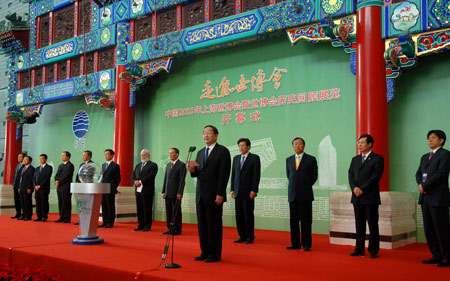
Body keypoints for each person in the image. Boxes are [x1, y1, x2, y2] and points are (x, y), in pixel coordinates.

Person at [189, 125, 231, 263]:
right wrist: (192, 170)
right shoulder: (200, 152)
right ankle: (204, 251)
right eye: (204, 133)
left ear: (216, 135)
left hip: (214, 195)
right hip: (201, 194)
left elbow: (223, 175)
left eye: (209, 133)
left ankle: (214, 253)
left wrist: (220, 194)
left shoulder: (222, 151)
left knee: (214, 225)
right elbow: (197, 174)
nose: (206, 135)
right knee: (202, 226)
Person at [415, 130, 450, 267]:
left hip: (438, 197)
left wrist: (425, 186)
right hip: (425, 197)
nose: (429, 140)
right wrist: (420, 184)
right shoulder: (425, 157)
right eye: (428, 138)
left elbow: (441, 174)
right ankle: (436, 255)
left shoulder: (445, 154)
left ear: (441, 140)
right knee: (428, 229)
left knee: (441, 229)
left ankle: (447, 257)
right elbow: (418, 173)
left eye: (433, 138)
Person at [348, 134, 384, 259]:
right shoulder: (355, 159)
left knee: (373, 225)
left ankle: (373, 250)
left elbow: (375, 177)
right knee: (359, 224)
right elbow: (351, 175)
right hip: (356, 197)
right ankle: (359, 249)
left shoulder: (378, 159)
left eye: (362, 142)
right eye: (358, 143)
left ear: (370, 144)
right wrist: (354, 188)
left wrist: (362, 189)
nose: (360, 145)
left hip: (370, 196)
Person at [286, 137, 318, 251]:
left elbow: (314, 176)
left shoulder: (311, 159)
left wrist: (304, 186)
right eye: (295, 144)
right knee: (293, 221)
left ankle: (306, 244)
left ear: (304, 145)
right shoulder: (289, 160)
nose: (297, 146)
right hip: (292, 195)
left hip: (305, 195)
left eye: (299, 144)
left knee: (306, 221)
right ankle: (295, 244)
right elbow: (289, 176)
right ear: (292, 146)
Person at [230, 138, 261, 244]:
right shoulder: (236, 158)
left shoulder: (254, 158)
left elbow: (256, 176)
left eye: (243, 145)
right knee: (239, 215)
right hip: (237, 191)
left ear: (248, 147)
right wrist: (232, 189)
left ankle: (250, 236)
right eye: (239, 146)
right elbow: (233, 175)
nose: (241, 148)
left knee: (248, 214)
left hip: (248, 192)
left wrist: (254, 190)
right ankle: (242, 235)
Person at [132, 149, 158, 232]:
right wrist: (134, 181)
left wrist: (140, 181)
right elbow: (133, 176)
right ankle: (140, 225)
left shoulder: (153, 165)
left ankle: (147, 226)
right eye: (141, 155)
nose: (142, 157)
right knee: (139, 208)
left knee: (147, 208)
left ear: (148, 156)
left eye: (144, 155)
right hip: (138, 190)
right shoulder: (138, 165)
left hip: (147, 190)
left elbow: (151, 176)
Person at [161, 148, 186, 235]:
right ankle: (170, 228)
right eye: (169, 153)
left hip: (176, 193)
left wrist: (180, 192)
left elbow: (182, 180)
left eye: (172, 153)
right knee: (169, 211)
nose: (170, 155)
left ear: (177, 154)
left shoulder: (181, 165)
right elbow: (165, 179)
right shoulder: (168, 165)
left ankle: (177, 229)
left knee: (176, 211)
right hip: (168, 192)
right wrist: (163, 191)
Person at [100, 149, 121, 228]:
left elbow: (117, 179)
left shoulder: (115, 166)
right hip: (102, 188)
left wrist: (112, 187)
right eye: (105, 154)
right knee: (104, 205)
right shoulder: (103, 165)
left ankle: (110, 222)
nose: (106, 156)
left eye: (107, 154)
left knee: (110, 206)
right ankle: (104, 221)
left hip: (110, 189)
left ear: (112, 155)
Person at [74, 150, 94, 225]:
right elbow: (78, 175)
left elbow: (90, 176)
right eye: (83, 155)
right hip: (80, 187)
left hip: (87, 187)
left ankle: (88, 220)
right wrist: (77, 183)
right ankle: (81, 220)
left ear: (89, 156)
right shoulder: (81, 164)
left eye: (85, 155)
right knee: (81, 204)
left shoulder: (92, 165)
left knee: (87, 205)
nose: (83, 157)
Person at [54, 151, 75, 223]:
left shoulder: (70, 165)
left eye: (63, 155)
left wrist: (59, 182)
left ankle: (66, 218)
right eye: (61, 155)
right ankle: (61, 217)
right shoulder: (60, 165)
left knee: (66, 202)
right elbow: (57, 175)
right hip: (59, 187)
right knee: (61, 202)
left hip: (66, 186)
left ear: (68, 157)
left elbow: (67, 176)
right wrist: (56, 180)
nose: (62, 157)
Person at [33, 154, 53, 222]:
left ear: (46, 159)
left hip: (44, 188)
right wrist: (35, 185)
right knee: (38, 202)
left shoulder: (49, 167)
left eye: (42, 158)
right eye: (40, 158)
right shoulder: (37, 168)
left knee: (44, 202)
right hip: (37, 188)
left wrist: (40, 185)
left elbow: (47, 178)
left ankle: (44, 216)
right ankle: (39, 216)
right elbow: (34, 178)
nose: (41, 160)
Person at [19, 156, 35, 221]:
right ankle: (24, 214)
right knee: (22, 202)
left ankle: (28, 216)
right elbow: (21, 179)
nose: (24, 160)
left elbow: (31, 179)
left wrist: (29, 188)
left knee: (27, 202)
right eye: (24, 159)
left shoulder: (32, 169)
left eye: (26, 159)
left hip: (27, 188)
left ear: (30, 161)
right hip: (22, 188)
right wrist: (19, 187)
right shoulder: (23, 168)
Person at [11, 153, 25, 219]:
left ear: (24, 158)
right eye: (18, 157)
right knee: (16, 200)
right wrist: (13, 184)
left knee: (21, 201)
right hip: (15, 186)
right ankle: (18, 213)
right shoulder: (17, 165)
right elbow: (15, 175)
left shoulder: (25, 166)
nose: (19, 158)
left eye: (20, 157)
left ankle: (23, 214)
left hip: (21, 186)